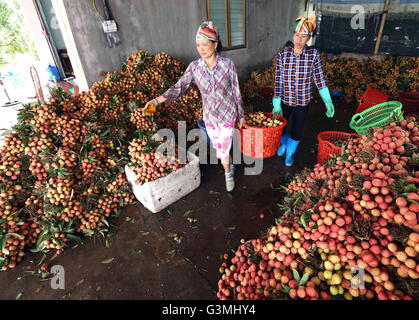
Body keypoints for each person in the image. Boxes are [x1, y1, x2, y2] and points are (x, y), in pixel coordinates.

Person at [142, 21, 245, 192]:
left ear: (215, 44)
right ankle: (231, 164)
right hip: (210, 117)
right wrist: (156, 101)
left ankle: (228, 173)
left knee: (223, 148)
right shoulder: (195, 68)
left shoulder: (228, 65)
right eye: (198, 45)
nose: (201, 48)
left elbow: (236, 92)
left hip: (227, 115)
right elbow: (179, 87)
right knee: (220, 146)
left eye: (205, 44)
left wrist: (241, 115)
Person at [272, 13, 335, 166]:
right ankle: (284, 144)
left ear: (308, 39)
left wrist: (327, 100)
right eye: (297, 35)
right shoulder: (283, 55)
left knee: (297, 129)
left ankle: (290, 155)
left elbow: (319, 79)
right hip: (285, 100)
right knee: (279, 126)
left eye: (303, 37)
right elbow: (278, 80)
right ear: (293, 35)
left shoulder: (313, 55)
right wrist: (276, 103)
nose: (299, 40)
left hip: (302, 101)